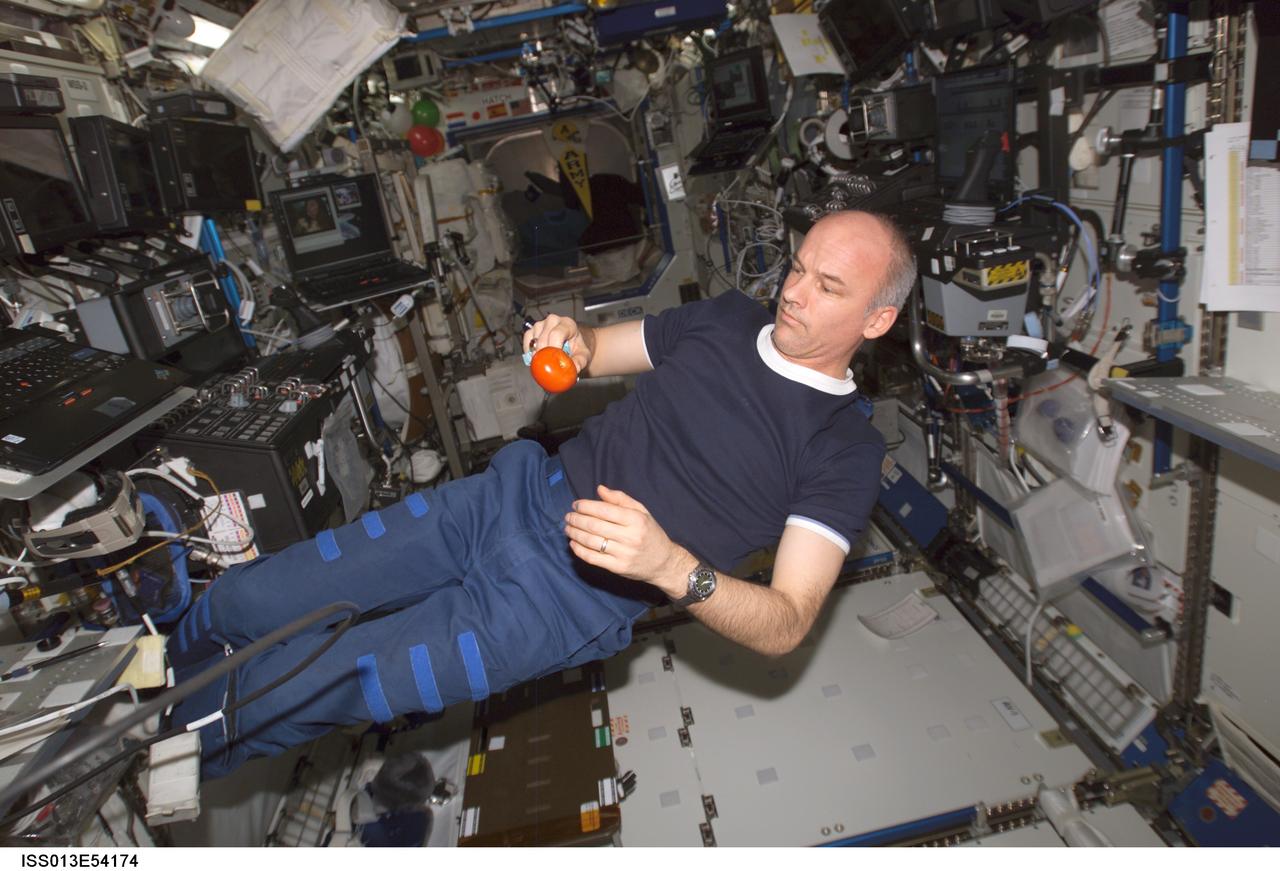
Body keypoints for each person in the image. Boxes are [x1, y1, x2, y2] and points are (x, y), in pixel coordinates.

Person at [170, 210, 918, 777]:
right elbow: (596, 353)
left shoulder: (845, 447)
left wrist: (668, 567)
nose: (792, 293)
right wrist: (568, 337)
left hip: (561, 605)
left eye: (828, 287)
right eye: (797, 267)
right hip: (504, 500)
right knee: (260, 595)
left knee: (328, 681)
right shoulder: (728, 318)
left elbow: (785, 622)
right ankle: (163, 658)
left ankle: (149, 755)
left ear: (877, 319)